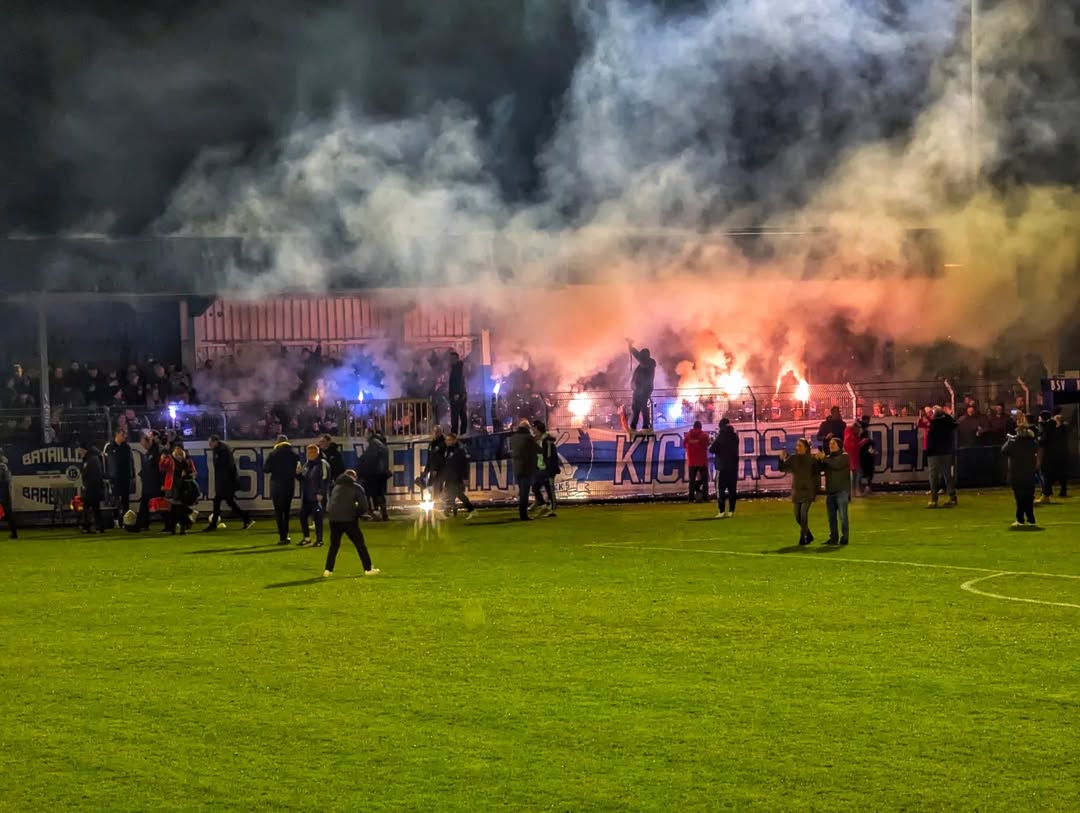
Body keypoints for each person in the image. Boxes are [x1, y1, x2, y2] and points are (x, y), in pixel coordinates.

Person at [323, 470, 379, 577]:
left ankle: (328, 569)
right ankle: (367, 568)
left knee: (334, 546)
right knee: (360, 545)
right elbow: (364, 507)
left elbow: (329, 506)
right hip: (349, 520)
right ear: (354, 477)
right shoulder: (356, 487)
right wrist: (356, 513)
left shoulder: (335, 487)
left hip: (334, 520)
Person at [205, 435, 253, 532]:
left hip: (226, 482)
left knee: (218, 501)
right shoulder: (221, 449)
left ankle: (213, 524)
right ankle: (246, 518)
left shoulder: (222, 450)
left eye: (210, 442)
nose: (209, 445)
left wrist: (225, 482)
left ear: (215, 442)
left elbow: (227, 466)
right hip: (226, 482)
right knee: (229, 502)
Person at [778, 438, 821, 545]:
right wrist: (781, 459)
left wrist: (817, 489)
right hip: (797, 491)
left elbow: (817, 474)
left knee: (803, 514)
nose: (797, 448)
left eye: (800, 446)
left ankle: (803, 537)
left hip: (808, 490)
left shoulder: (812, 460)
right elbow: (782, 468)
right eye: (797, 446)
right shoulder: (793, 458)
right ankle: (808, 533)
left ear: (806, 448)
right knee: (797, 516)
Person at [1002, 415, 1039, 528]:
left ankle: (1020, 519)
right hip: (1029, 474)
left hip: (1017, 475)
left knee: (1020, 498)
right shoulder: (1032, 443)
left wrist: (1010, 440)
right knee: (1029, 497)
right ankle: (1031, 519)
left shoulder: (1014, 443)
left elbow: (1003, 450)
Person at [264, 435, 301, 544]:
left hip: (276, 485)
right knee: (286, 511)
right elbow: (298, 471)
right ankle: (286, 534)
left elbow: (266, 469)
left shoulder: (273, 454)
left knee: (279, 512)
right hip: (289, 485)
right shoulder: (294, 454)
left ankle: (282, 537)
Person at [160, 444, 199, 535]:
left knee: (178, 508)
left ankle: (181, 527)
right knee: (174, 508)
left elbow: (194, 473)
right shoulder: (170, 460)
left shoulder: (187, 461)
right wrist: (162, 460)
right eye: (176, 450)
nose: (178, 451)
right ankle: (180, 527)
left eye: (179, 450)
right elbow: (162, 468)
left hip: (183, 487)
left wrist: (186, 474)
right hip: (173, 487)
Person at [820, 437, 851, 545]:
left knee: (843, 517)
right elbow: (819, 468)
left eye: (833, 443)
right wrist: (818, 459)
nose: (831, 445)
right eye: (830, 444)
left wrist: (824, 459)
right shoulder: (828, 458)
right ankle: (833, 538)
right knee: (831, 518)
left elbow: (836, 465)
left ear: (839, 445)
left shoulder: (844, 456)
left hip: (841, 491)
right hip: (830, 492)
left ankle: (845, 537)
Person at [926, 407, 958, 508]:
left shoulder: (934, 424)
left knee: (933, 476)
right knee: (947, 475)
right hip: (946, 452)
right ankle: (952, 497)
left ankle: (934, 499)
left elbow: (930, 440)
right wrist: (946, 414)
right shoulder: (947, 424)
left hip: (934, 453)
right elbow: (954, 423)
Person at [298, 444, 330, 546]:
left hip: (316, 496)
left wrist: (321, 492)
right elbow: (303, 480)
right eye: (308, 453)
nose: (309, 455)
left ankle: (319, 540)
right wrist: (298, 474)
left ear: (317, 452)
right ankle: (306, 538)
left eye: (312, 452)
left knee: (317, 518)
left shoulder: (322, 464)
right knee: (303, 516)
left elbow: (325, 479)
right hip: (307, 496)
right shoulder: (307, 465)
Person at [1038, 409, 1071, 503]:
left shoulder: (1049, 427)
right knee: (1050, 475)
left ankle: (1046, 495)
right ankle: (1046, 494)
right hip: (1055, 455)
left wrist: (1038, 439)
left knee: (1047, 475)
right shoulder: (1052, 427)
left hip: (1050, 456)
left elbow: (1043, 441)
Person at [103, 428, 134, 528]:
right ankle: (116, 520)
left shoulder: (127, 447)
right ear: (117, 434)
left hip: (125, 477)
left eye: (124, 435)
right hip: (114, 478)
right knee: (115, 500)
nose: (124, 437)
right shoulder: (109, 446)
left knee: (125, 500)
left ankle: (126, 521)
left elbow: (130, 462)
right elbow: (105, 462)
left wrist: (131, 474)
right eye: (122, 434)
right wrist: (107, 475)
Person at [358, 428, 390, 521]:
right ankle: (383, 514)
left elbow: (370, 460)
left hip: (375, 474)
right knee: (380, 494)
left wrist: (362, 470)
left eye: (365, 433)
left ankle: (375, 514)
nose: (364, 436)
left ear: (370, 434)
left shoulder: (374, 444)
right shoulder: (379, 443)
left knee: (373, 494)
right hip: (380, 473)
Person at [510, 420, 540, 521]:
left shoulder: (513, 438)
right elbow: (537, 450)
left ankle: (522, 514)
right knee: (524, 493)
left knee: (521, 492)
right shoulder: (528, 438)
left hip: (517, 468)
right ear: (528, 428)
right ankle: (524, 515)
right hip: (527, 468)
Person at [710, 418, 739, 518]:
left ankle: (721, 511)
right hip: (733, 466)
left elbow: (712, 449)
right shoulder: (735, 436)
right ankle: (731, 511)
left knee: (720, 489)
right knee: (732, 490)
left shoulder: (720, 437)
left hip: (721, 467)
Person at [531, 420, 561, 517]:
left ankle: (551, 509)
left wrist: (549, 470)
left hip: (548, 469)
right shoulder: (539, 440)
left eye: (534, 428)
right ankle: (543, 505)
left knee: (549, 489)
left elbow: (549, 457)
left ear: (538, 429)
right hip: (541, 469)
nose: (533, 430)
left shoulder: (547, 441)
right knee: (535, 487)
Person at [442, 433, 476, 518]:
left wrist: (465, 477)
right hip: (449, 476)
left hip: (456, 476)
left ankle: (471, 509)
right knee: (450, 493)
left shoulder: (459, 450)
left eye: (449, 440)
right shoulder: (447, 450)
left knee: (458, 493)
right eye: (446, 440)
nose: (447, 442)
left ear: (454, 440)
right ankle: (449, 510)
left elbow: (463, 465)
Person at [78, 441, 107, 534]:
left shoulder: (91, 459)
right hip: (94, 489)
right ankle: (98, 527)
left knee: (87, 508)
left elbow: (94, 475)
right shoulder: (92, 458)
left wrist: (87, 487)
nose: (80, 453)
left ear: (84, 450)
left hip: (92, 489)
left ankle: (87, 526)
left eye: (80, 450)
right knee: (95, 509)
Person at [627, 340, 657, 432]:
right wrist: (631, 347)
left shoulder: (649, 363)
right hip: (638, 390)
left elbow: (638, 356)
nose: (640, 358)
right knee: (637, 407)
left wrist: (632, 349)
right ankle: (636, 425)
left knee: (642, 406)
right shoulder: (643, 365)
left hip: (644, 390)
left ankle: (643, 425)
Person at [137, 431, 164, 530]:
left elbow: (162, 468)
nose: (143, 446)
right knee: (145, 504)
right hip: (149, 484)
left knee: (163, 505)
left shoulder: (157, 451)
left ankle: (181, 520)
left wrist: (162, 482)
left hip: (156, 484)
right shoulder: (149, 453)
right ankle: (142, 524)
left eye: (143, 443)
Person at [683, 420, 710, 503]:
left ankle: (691, 497)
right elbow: (708, 444)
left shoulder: (688, 436)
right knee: (705, 481)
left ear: (693, 427)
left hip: (692, 461)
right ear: (700, 427)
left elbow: (684, 445)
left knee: (691, 481)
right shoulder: (704, 435)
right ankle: (705, 497)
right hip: (702, 461)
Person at [421, 426, 447, 497]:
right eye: (434, 432)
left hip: (439, 470)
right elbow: (430, 458)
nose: (435, 434)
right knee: (431, 488)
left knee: (438, 488)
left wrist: (435, 469)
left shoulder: (443, 443)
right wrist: (426, 471)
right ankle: (436, 502)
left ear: (440, 432)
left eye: (437, 432)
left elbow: (439, 458)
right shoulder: (432, 443)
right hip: (432, 469)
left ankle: (438, 503)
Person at [843, 421, 865, 497]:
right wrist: (862, 443)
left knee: (855, 476)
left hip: (854, 458)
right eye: (858, 429)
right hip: (852, 458)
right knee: (858, 474)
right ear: (855, 428)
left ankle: (854, 492)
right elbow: (853, 446)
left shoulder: (851, 435)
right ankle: (856, 491)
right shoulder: (851, 436)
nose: (859, 431)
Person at [448, 350, 468, 435]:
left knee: (456, 415)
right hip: (461, 394)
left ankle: (455, 433)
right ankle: (462, 432)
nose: (450, 361)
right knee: (461, 413)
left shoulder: (457, 368)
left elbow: (459, 381)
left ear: (455, 359)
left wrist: (457, 393)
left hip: (458, 395)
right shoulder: (457, 367)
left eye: (451, 359)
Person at [0, 448, 16, 539]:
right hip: (4, 488)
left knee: (8, 512)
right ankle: (14, 533)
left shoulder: (2, 465)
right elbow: (9, 479)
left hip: (2, 487)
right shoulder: (5, 464)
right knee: (8, 512)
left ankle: (14, 533)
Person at [858, 417, 876, 495]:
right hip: (864, 456)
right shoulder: (862, 434)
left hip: (866, 456)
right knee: (866, 473)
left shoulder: (866, 434)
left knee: (867, 473)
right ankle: (865, 488)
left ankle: (866, 487)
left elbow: (871, 445)